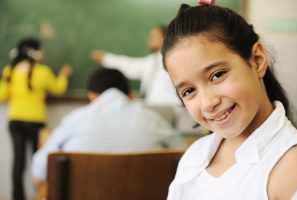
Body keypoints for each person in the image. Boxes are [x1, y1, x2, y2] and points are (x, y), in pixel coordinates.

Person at [161, 2, 297, 200]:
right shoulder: (195, 155)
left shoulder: (291, 167)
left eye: (217, 75)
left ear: (257, 60)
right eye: (189, 91)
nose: (208, 103)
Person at [31, 68, 184, 184]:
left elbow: (38, 172)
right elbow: (186, 161)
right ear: (130, 95)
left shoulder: (73, 121)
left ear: (91, 96)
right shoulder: (154, 120)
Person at [0, 37, 72, 200]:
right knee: (39, 161)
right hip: (36, 122)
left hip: (16, 120)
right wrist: (63, 75)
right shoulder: (43, 72)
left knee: (18, 161)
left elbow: (2, 95)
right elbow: (58, 89)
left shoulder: (9, 71)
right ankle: (41, 195)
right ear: (37, 52)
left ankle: (18, 197)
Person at [90, 25, 180, 106]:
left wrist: (106, 58)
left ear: (165, 37)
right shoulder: (152, 61)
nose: (149, 39)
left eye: (153, 36)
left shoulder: (175, 58)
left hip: (172, 108)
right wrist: (106, 58)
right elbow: (130, 66)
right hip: (154, 108)